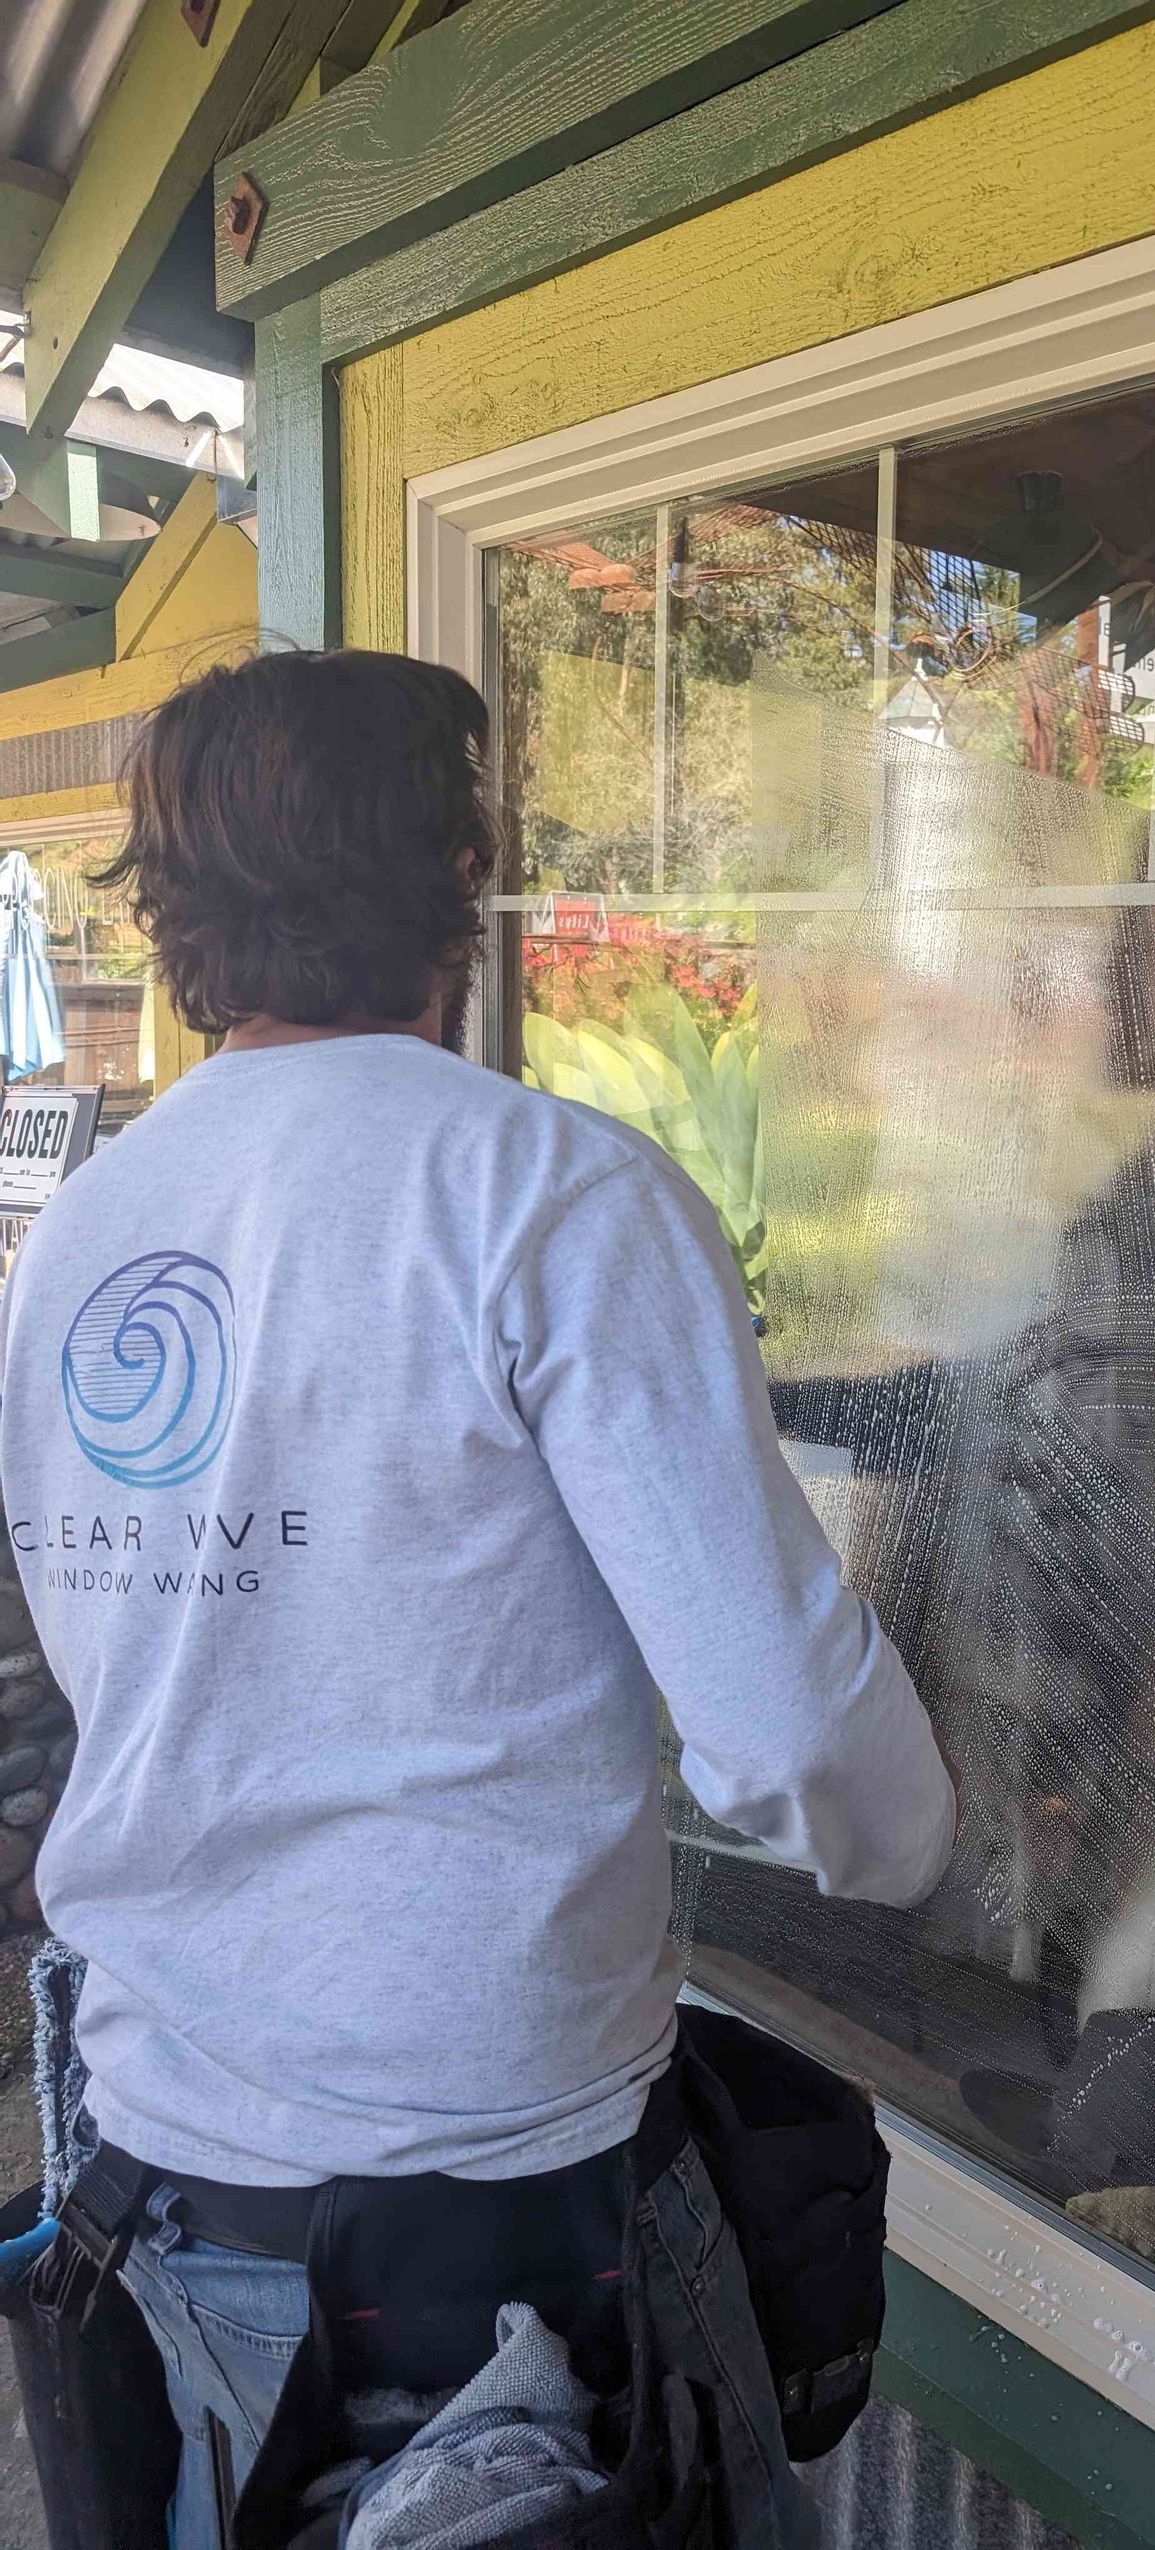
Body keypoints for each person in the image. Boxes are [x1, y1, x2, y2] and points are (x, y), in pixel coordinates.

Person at [0, 649, 955, 2547]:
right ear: (454, 873)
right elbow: (783, 1726)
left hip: (166, 2144)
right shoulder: (552, 1196)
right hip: (499, 2182)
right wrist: (925, 1850)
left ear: (180, 907)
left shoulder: (84, 1232)